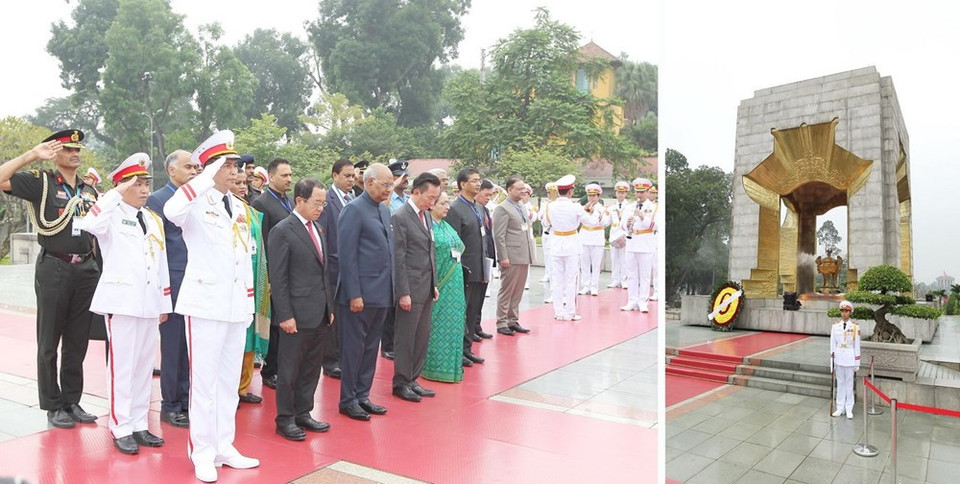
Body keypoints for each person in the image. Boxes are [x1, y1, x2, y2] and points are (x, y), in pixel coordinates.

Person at [164, 130, 259, 482]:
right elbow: (171, 210)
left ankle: (224, 445)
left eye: (236, 165)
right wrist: (203, 177)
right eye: (229, 165)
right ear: (212, 167)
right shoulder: (193, 202)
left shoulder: (236, 205)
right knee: (203, 385)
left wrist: (248, 304)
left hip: (235, 306)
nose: (237, 172)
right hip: (204, 304)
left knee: (227, 381)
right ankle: (202, 452)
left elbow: (242, 255)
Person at [0, 130, 100, 429]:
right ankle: (53, 405)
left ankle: (72, 400)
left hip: (85, 268)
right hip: (54, 266)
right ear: (55, 153)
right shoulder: (41, 181)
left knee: (77, 341)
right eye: (69, 149)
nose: (75, 154)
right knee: (49, 340)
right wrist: (31, 155)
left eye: (78, 150)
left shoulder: (88, 190)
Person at [80, 153, 171, 455]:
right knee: (123, 368)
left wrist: (164, 303)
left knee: (144, 367)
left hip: (148, 303)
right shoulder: (110, 215)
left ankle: (139, 423)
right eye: (138, 183)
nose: (145, 189)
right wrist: (115, 191)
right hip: (122, 302)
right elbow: (89, 222)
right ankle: (120, 426)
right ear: (123, 186)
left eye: (147, 183)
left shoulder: (153, 219)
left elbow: (161, 264)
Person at [268, 178, 335, 441]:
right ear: (300, 200)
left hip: (319, 311)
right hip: (295, 313)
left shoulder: (318, 229)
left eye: (323, 204)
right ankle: (285, 418)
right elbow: (279, 276)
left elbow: (325, 271)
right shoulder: (282, 230)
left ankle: (303, 411)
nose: (321, 209)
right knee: (289, 369)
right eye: (316, 203)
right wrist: (284, 314)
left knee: (311, 366)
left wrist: (329, 306)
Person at [336, 163, 395, 421]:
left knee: (371, 347)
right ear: (369, 182)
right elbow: (347, 256)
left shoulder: (382, 210)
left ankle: (362, 395)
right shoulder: (353, 210)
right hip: (359, 295)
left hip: (381, 292)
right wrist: (354, 293)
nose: (389, 189)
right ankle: (348, 399)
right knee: (353, 348)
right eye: (385, 184)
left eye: (391, 185)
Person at [146, 150, 199, 429]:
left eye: (195, 166)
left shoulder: (197, 198)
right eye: (187, 166)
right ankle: (171, 404)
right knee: (174, 346)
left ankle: (189, 399)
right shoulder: (157, 200)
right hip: (174, 281)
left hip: (198, 280)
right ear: (171, 171)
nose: (193, 171)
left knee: (192, 346)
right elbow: (156, 248)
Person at [391, 172, 441, 402]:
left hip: (426, 286)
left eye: (436, 198)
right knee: (406, 336)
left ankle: (413, 378)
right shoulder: (401, 217)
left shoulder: (426, 216)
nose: (432, 202)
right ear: (416, 192)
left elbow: (430, 252)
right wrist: (403, 291)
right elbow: (398, 257)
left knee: (422, 336)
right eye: (430, 197)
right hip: (410, 287)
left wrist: (435, 284)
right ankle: (401, 381)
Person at [251, 157, 295, 390]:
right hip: (272, 273)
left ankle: (284, 366)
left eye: (290, 175)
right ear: (271, 177)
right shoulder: (262, 203)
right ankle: (270, 370)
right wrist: (267, 277)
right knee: (276, 323)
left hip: (291, 270)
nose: (289, 179)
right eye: (284, 175)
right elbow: (263, 241)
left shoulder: (289, 201)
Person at [229, 172, 267, 405]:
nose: (243, 187)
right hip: (235, 283)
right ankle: (229, 389)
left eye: (245, 183)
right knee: (235, 337)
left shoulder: (251, 211)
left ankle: (243, 387)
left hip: (255, 279)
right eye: (237, 183)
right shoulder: (225, 212)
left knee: (250, 336)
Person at [444, 168, 488, 367]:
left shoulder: (477, 207)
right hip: (463, 270)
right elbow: (453, 241)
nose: (478, 184)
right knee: (461, 312)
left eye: (479, 180)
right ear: (462, 184)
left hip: (479, 267)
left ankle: (467, 349)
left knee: (473, 312)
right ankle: (457, 350)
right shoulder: (455, 209)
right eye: (474, 181)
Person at [317, 160, 357, 380]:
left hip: (350, 269)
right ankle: (331, 361)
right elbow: (323, 235)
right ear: (335, 176)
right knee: (333, 318)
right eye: (346, 175)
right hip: (333, 267)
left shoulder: (352, 199)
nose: (351, 179)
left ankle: (343, 356)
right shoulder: (327, 201)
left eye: (353, 176)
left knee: (346, 317)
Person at [422, 192, 466, 383]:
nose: (447, 206)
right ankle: (434, 368)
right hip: (441, 284)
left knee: (455, 325)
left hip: (456, 287)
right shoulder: (428, 227)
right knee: (437, 325)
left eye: (448, 202)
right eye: (443, 203)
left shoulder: (447, 226)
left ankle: (453, 368)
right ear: (431, 205)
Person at [493, 177, 535, 335]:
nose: (523, 191)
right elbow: (499, 236)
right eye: (519, 189)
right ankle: (502, 321)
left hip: (524, 254)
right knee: (507, 290)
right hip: (511, 255)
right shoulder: (502, 208)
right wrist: (503, 256)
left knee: (518, 290)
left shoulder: (521, 206)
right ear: (510, 190)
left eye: (524, 188)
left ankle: (513, 320)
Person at [380, 160, 410, 359]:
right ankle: (388, 345)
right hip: (391, 252)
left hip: (407, 253)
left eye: (406, 176)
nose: (405, 179)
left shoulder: (408, 198)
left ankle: (398, 341)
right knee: (390, 303)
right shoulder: (388, 200)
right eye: (400, 176)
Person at [547, 175, 586, 321]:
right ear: (570, 191)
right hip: (571, 244)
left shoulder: (550, 206)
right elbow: (591, 221)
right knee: (571, 280)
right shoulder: (575, 206)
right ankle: (570, 312)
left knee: (557, 279)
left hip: (556, 243)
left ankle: (558, 312)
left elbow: (545, 222)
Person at [621, 178, 656, 313]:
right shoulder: (629, 206)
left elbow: (656, 225)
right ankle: (632, 300)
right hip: (632, 242)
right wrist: (627, 224)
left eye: (642, 192)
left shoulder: (654, 207)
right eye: (637, 192)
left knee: (645, 275)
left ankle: (643, 302)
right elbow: (622, 224)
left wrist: (643, 217)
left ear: (647, 192)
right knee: (631, 274)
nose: (639, 195)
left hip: (646, 243)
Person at [578, 183, 610, 296]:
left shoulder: (602, 209)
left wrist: (594, 212)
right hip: (585, 235)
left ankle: (594, 286)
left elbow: (605, 222)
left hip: (597, 236)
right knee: (584, 263)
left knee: (596, 264)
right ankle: (585, 285)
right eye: (589, 195)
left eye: (593, 195)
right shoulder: (583, 208)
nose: (591, 198)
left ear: (598, 196)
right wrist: (585, 210)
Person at [831, 300, 860, 419]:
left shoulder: (855, 327)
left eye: (846, 311)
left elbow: (856, 345)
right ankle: (840, 407)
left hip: (849, 358)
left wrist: (857, 361)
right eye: (842, 311)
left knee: (849, 384)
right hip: (838, 358)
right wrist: (831, 362)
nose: (844, 314)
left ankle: (849, 408)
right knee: (840, 383)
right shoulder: (835, 327)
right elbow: (832, 344)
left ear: (850, 312)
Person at [607, 181, 631, 289]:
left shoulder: (629, 206)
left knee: (624, 258)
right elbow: (606, 221)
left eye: (622, 192)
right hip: (614, 233)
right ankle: (615, 279)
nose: (620, 194)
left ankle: (624, 279)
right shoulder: (611, 207)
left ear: (626, 193)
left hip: (624, 233)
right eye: (618, 192)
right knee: (614, 258)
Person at [538, 182, 559, 302]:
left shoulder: (558, 204)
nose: (551, 194)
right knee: (551, 263)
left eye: (553, 192)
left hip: (557, 235)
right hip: (548, 233)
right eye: (549, 192)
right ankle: (553, 292)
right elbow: (541, 217)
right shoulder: (545, 204)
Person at [647, 185, 660, 300]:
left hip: (655, 237)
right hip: (644, 238)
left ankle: (657, 291)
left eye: (653, 193)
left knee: (656, 267)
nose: (651, 195)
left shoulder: (657, 207)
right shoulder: (639, 205)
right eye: (649, 192)